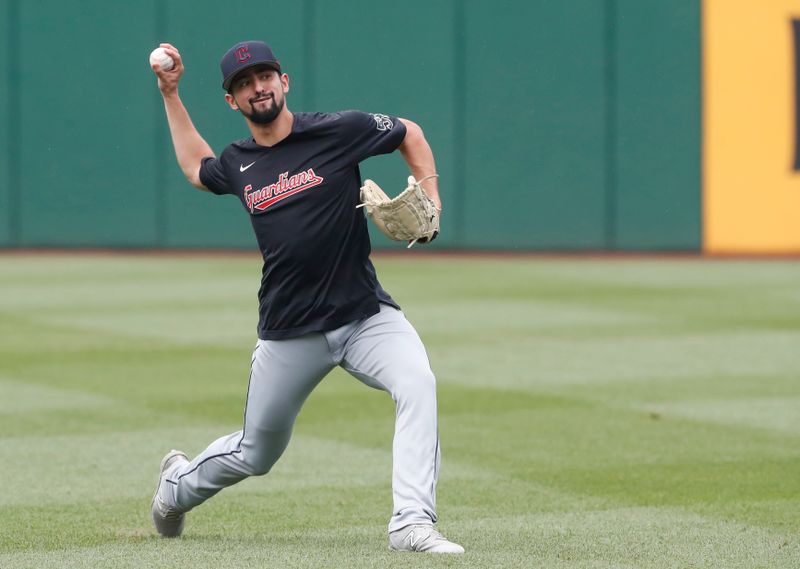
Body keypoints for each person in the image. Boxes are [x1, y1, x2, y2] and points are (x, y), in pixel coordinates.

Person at [148, 40, 464, 554]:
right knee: (257, 453)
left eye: (265, 76)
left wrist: (431, 195)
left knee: (418, 383)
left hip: (364, 315)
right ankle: (176, 486)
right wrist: (170, 93)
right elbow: (195, 167)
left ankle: (411, 523)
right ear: (232, 100)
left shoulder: (339, 131)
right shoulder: (239, 162)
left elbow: (411, 133)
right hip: (290, 331)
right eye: (243, 84)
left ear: (284, 81)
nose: (257, 88)